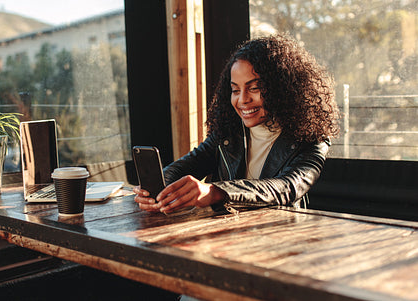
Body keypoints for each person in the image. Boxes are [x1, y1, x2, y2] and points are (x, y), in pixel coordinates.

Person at [134, 33, 340, 214]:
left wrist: (217, 192)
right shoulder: (229, 132)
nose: (242, 100)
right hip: (227, 235)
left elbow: (287, 187)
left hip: (281, 237)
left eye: (255, 88)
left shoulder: (312, 138)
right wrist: (160, 188)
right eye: (235, 90)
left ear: (283, 89)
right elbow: (188, 164)